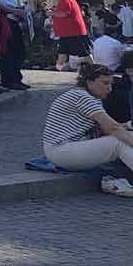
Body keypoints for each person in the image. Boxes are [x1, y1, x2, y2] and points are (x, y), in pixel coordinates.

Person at [40, 64, 133, 197]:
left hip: (68, 148)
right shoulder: (81, 96)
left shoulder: (91, 97)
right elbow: (113, 128)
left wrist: (129, 126)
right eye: (105, 83)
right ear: (89, 82)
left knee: (123, 138)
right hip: (61, 150)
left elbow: (107, 129)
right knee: (118, 142)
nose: (110, 89)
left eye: (110, 84)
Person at [50, 0, 90, 72]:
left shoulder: (65, 0)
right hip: (66, 33)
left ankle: (94, 67)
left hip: (73, 32)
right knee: (62, 52)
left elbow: (64, 14)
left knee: (84, 53)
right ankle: (59, 68)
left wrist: (51, 13)